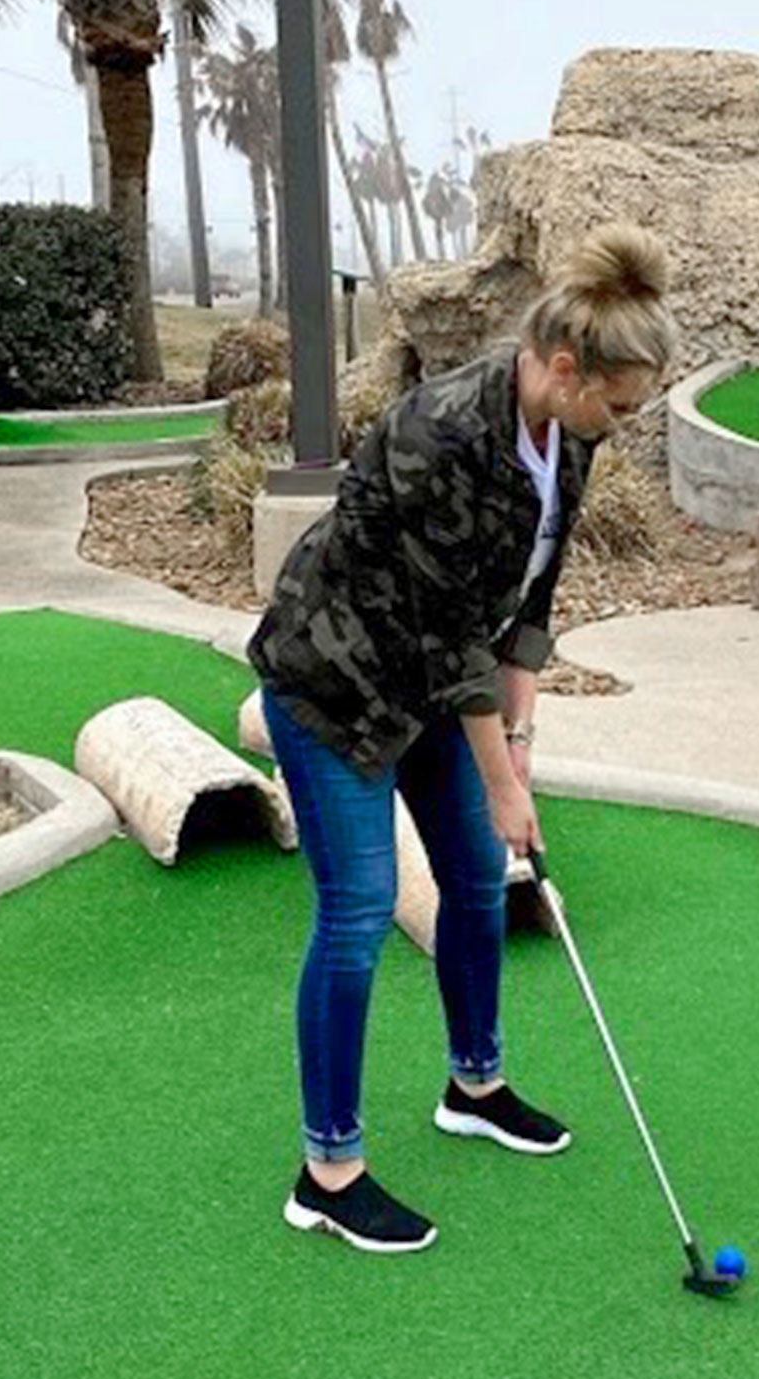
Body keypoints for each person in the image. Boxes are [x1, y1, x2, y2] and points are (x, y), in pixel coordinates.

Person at [249, 223, 675, 1255]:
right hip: (336, 681)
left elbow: (529, 601)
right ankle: (329, 1168)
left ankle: (474, 1084)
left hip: (440, 679)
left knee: (479, 879)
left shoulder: (566, 438)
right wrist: (500, 778)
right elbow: (447, 638)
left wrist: (519, 744)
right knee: (355, 913)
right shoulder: (441, 432)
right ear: (566, 368)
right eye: (618, 405)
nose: (622, 427)